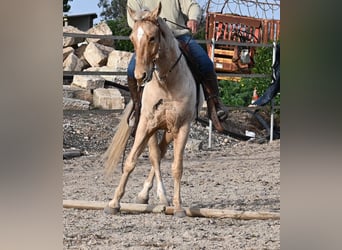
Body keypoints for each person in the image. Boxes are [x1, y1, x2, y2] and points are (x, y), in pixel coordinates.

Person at [126, 0, 228, 136]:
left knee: (205, 63)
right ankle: (137, 107)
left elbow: (192, 5)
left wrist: (193, 18)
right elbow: (132, 18)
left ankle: (214, 104)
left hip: (178, 36)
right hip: (149, 39)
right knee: (131, 70)